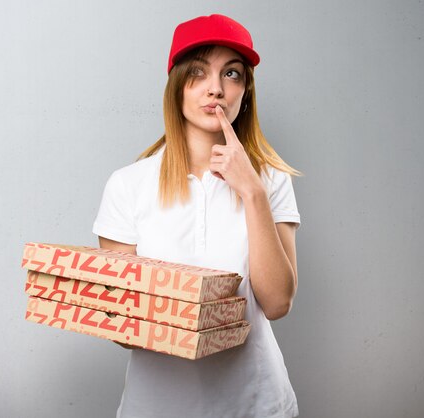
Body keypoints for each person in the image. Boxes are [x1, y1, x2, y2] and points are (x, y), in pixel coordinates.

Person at [93, 14, 301, 418]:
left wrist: (253, 193)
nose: (216, 89)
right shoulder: (128, 184)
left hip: (257, 404)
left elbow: (276, 303)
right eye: (199, 73)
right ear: (177, 86)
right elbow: (122, 327)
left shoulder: (270, 179)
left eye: (232, 74)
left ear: (246, 90)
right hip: (156, 406)